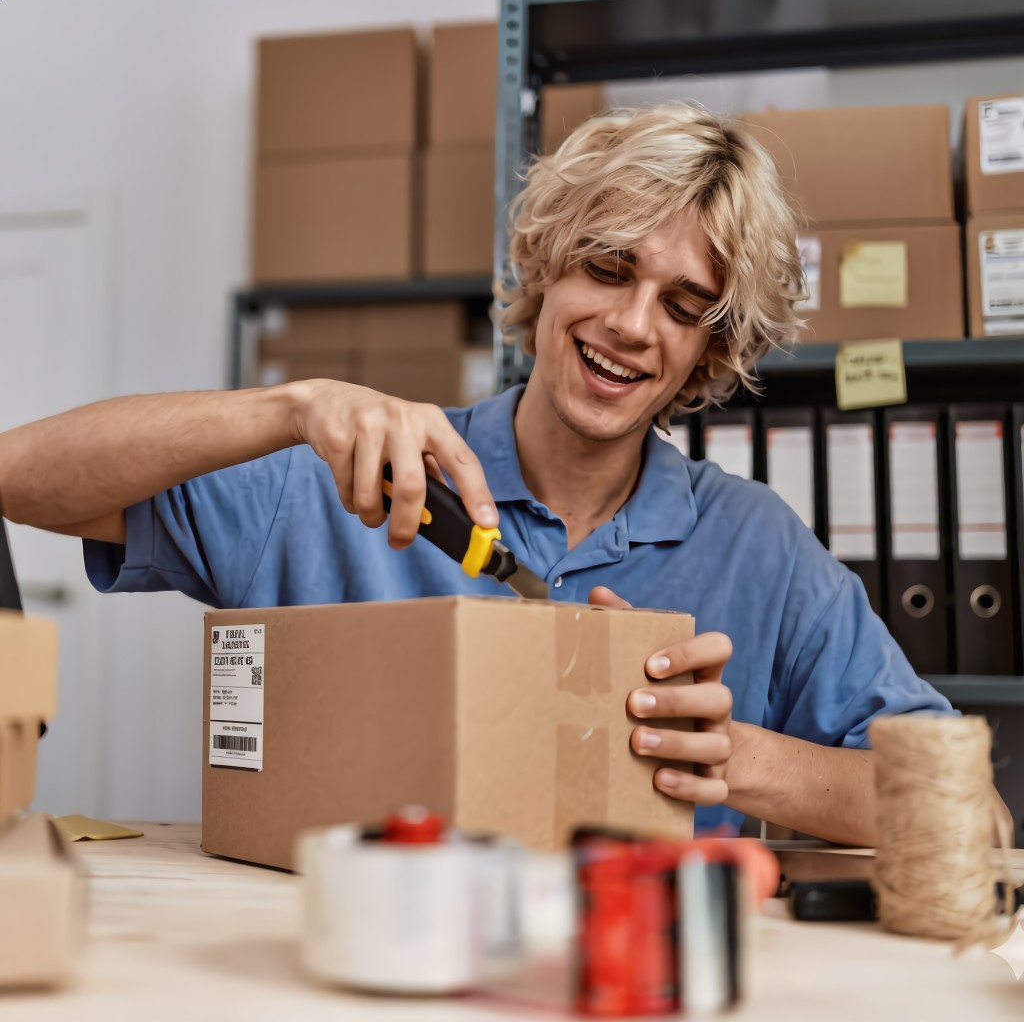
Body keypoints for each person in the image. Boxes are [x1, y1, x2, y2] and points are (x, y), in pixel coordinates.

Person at [0, 104, 956, 845]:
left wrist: (734, 757)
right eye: (608, 267)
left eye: (683, 304)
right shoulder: (332, 478)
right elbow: (18, 477)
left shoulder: (758, 548)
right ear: (543, 273)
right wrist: (285, 408)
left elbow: (958, 814)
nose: (631, 323)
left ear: (709, 355)